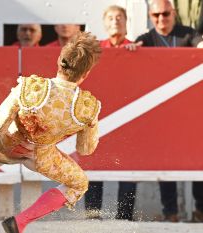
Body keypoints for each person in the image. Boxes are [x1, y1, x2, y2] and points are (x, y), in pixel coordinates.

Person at [0, 31, 102, 233]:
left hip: (5, 143)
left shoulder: (31, 87)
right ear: (86, 74)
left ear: (59, 61)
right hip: (42, 157)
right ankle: (20, 222)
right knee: (79, 183)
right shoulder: (88, 108)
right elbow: (85, 149)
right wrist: (89, 123)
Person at [127, 0, 203, 222]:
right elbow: (133, 58)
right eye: (157, 15)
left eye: (166, 14)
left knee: (198, 159)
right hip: (161, 113)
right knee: (166, 161)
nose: (161, 19)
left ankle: (201, 209)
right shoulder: (146, 39)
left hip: (191, 111)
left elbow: (199, 44)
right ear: (151, 16)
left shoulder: (188, 33)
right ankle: (170, 212)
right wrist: (131, 51)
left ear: (174, 13)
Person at [84, 5, 137, 221]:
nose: (115, 21)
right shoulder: (97, 50)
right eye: (111, 18)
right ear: (105, 24)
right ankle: (92, 214)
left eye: (119, 18)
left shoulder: (134, 48)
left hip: (128, 116)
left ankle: (124, 217)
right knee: (95, 164)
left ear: (126, 22)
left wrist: (137, 56)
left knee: (129, 166)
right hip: (100, 116)